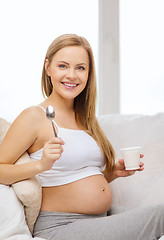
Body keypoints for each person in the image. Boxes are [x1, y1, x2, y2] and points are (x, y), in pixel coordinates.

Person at [0, 34, 164, 240]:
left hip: (100, 218)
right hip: (61, 225)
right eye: (63, 66)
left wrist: (112, 173)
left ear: (88, 74)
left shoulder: (85, 119)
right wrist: (39, 166)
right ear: (48, 67)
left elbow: (77, 178)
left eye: (80, 68)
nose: (72, 75)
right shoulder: (35, 116)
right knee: (160, 216)